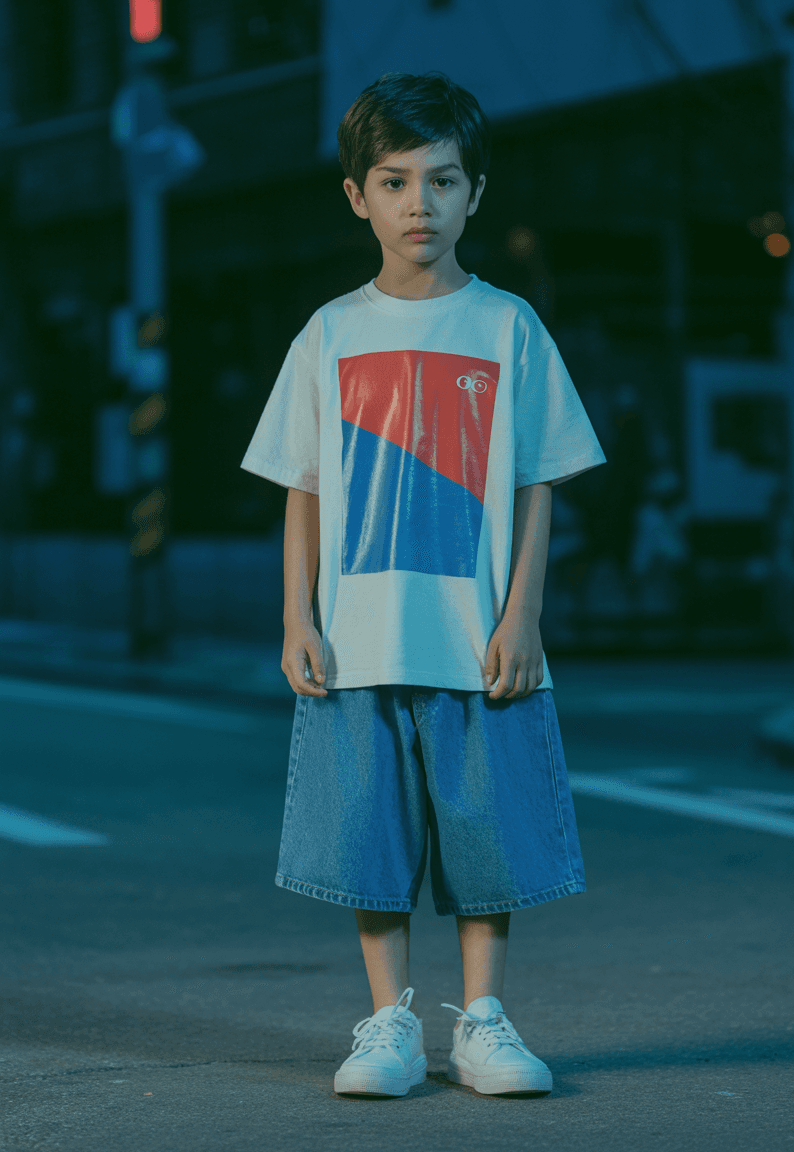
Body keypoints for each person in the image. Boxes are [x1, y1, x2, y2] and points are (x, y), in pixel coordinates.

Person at [240, 70, 606, 1099]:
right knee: (368, 831)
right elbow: (303, 486)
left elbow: (539, 478)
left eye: (442, 181)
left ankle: (481, 1021)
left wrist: (523, 612)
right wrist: (296, 615)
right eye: (395, 182)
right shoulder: (329, 333)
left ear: (475, 194)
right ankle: (389, 1023)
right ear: (357, 196)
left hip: (475, 631)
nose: (419, 204)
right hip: (362, 634)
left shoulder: (509, 327)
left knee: (486, 832)